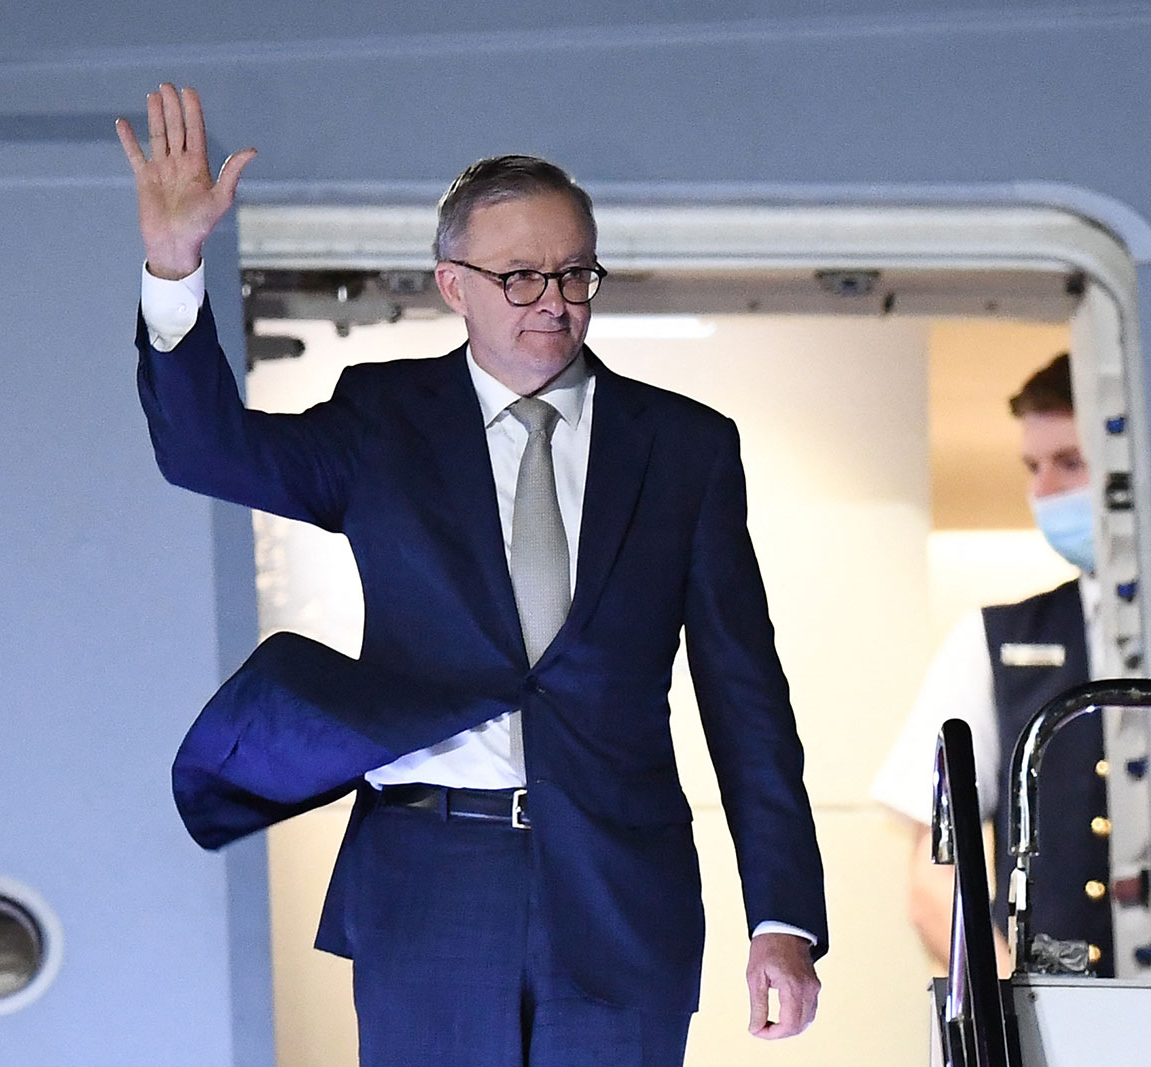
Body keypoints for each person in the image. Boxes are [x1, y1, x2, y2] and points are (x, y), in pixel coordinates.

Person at [117, 84, 826, 1066]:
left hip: (621, 889)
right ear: (451, 284)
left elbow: (748, 698)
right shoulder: (382, 418)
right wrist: (174, 264)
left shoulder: (686, 447)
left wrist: (781, 916)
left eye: (577, 275)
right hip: (429, 876)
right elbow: (205, 452)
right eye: (522, 277)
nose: (555, 302)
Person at [871, 353, 1119, 976]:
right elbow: (934, 875)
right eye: (1033, 468)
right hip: (1051, 1006)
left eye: (1070, 463)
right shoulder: (993, 641)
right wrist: (1015, 999)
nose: (1042, 491)